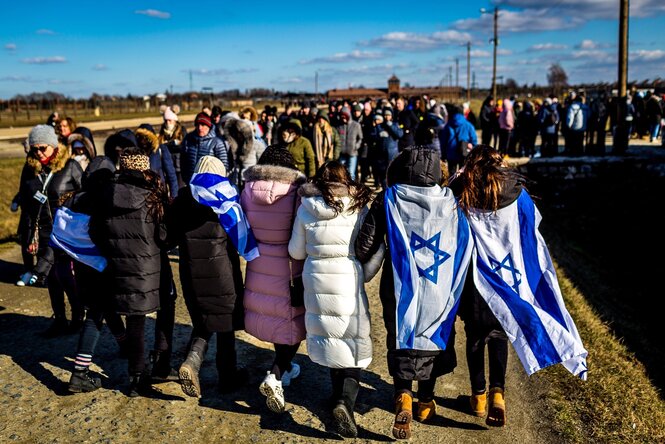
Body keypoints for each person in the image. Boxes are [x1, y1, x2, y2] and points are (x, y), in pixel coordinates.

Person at [449, 145, 587, 427]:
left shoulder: (460, 192)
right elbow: (531, 232)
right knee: (500, 336)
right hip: (509, 284)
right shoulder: (518, 193)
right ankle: (498, 394)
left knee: (475, 336)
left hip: (476, 282)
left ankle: (478, 397)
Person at [355, 146, 472, 439]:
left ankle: (403, 395)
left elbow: (363, 246)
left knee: (401, 336)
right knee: (433, 335)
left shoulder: (389, 198)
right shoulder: (451, 201)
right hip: (439, 286)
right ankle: (425, 402)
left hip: (399, 285)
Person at [288, 161, 375, 438]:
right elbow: (367, 245)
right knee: (352, 339)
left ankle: (336, 396)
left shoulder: (306, 207)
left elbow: (296, 251)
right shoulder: (357, 205)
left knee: (330, 336)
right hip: (348, 275)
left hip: (316, 275)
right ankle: (344, 401)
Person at [167, 156, 257, 397]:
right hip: (221, 272)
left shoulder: (182, 199)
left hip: (191, 272)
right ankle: (227, 376)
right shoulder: (227, 197)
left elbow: (168, 238)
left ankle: (191, 363)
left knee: (203, 320)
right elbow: (239, 236)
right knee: (225, 324)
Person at [88, 144, 169, 397]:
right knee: (138, 319)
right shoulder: (152, 195)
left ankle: (136, 375)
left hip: (116, 265)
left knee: (129, 317)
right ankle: (138, 377)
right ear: (145, 167)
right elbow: (164, 234)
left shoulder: (105, 194)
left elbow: (95, 232)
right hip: (146, 267)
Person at [240, 146, 307, 413]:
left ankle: (286, 368)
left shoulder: (247, 190)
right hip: (289, 266)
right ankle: (276, 375)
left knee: (273, 317)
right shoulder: (295, 194)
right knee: (292, 322)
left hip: (259, 262)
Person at [16, 125, 85, 337]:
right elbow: (27, 205)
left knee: (67, 276)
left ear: (53, 146)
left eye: (43, 148)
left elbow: (85, 196)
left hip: (67, 231)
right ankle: (60, 319)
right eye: (34, 149)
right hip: (43, 231)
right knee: (52, 280)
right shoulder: (29, 170)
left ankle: (77, 316)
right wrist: (28, 236)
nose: (38, 153)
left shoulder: (70, 166)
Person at [180, 112, 230, 184]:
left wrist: (217, 182)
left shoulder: (217, 142)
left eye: (203, 125)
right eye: (197, 125)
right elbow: (183, 161)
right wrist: (185, 178)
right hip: (191, 183)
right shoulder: (188, 139)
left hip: (210, 185)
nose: (200, 128)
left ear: (209, 126)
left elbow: (224, 165)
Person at [439, 105, 478, 177]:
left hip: (450, 152)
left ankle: (452, 187)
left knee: (452, 173)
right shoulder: (468, 125)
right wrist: (472, 146)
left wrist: (443, 155)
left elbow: (443, 141)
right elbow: (474, 140)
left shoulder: (448, 125)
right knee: (463, 173)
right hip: (463, 152)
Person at [158, 106, 187, 188]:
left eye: (170, 120)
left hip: (179, 165)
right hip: (166, 164)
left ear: (175, 120)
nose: (167, 123)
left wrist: (168, 144)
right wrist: (173, 143)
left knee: (180, 187)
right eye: (166, 120)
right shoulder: (163, 131)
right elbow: (160, 145)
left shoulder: (181, 130)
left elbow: (183, 146)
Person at [335, 107, 363, 181]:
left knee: (351, 173)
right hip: (342, 153)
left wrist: (356, 146)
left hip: (352, 153)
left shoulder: (356, 125)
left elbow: (360, 138)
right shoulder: (339, 126)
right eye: (342, 116)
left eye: (345, 116)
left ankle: (352, 189)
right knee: (341, 173)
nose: (343, 118)